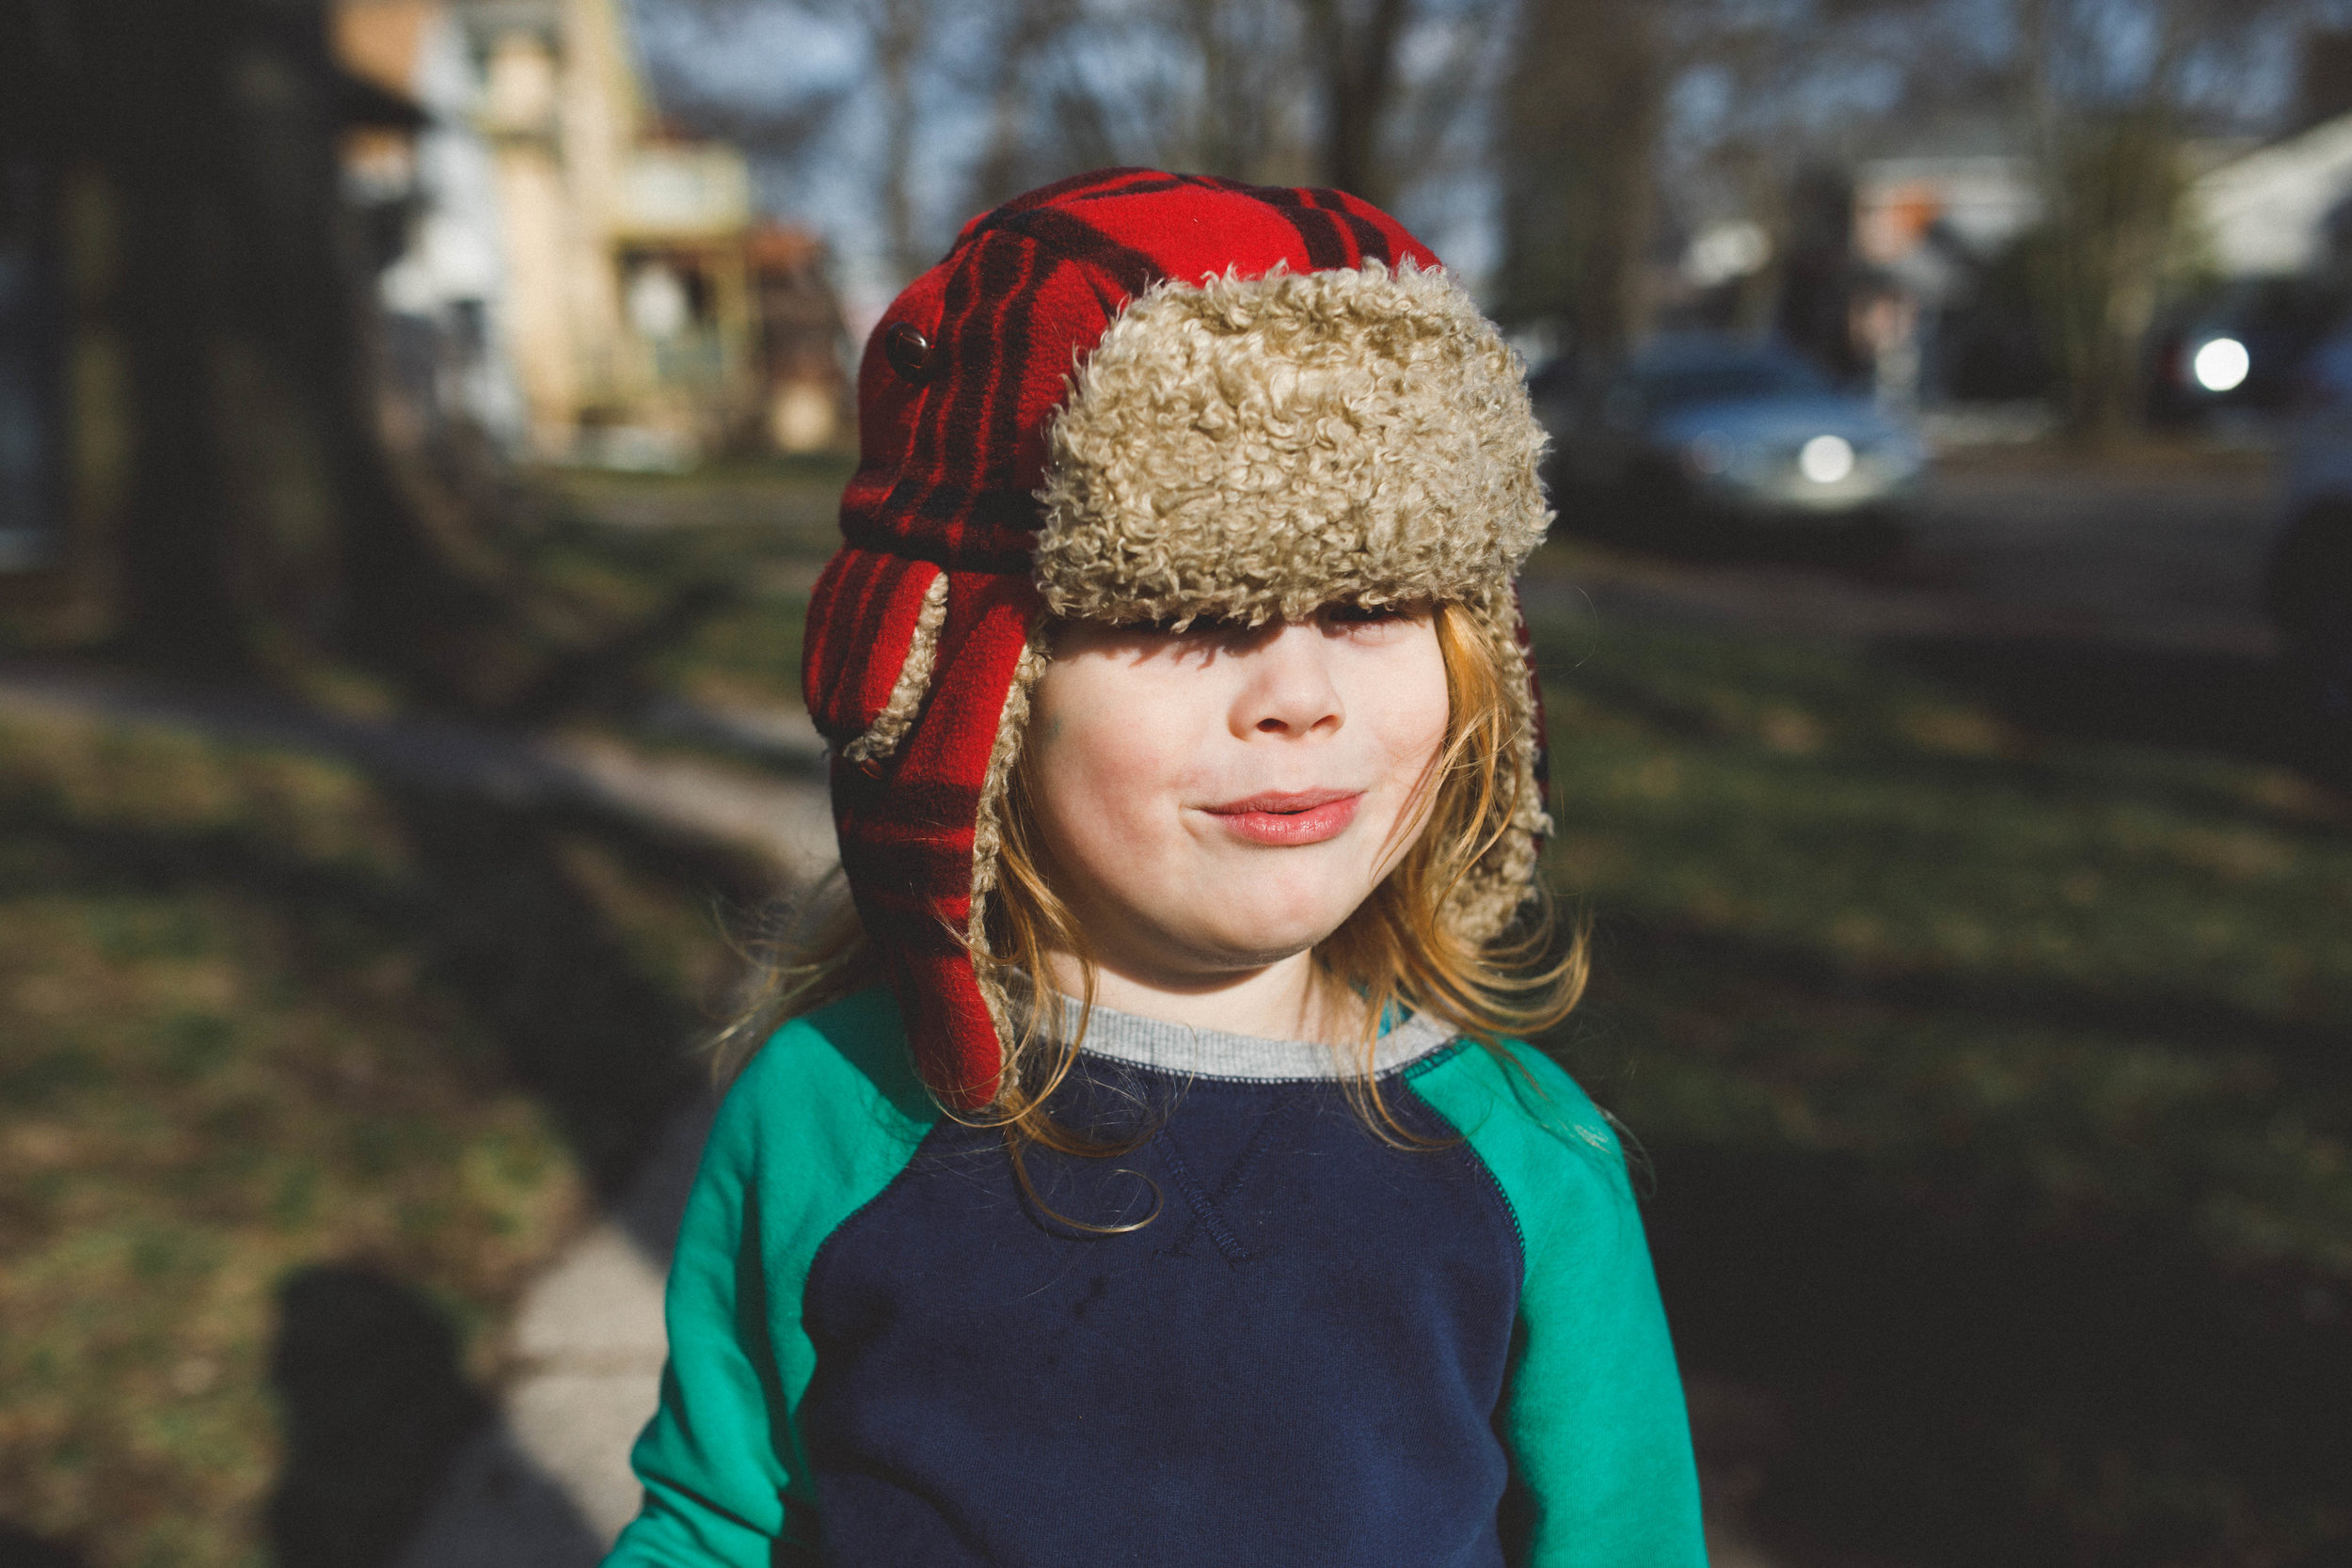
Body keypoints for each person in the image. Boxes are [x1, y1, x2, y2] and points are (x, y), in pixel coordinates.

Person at [603, 168, 1706, 1568]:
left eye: (1371, 601)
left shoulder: (1527, 1161)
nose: (1297, 696)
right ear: (981, 692)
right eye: (1185, 609)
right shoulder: (831, 1114)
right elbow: (715, 1523)